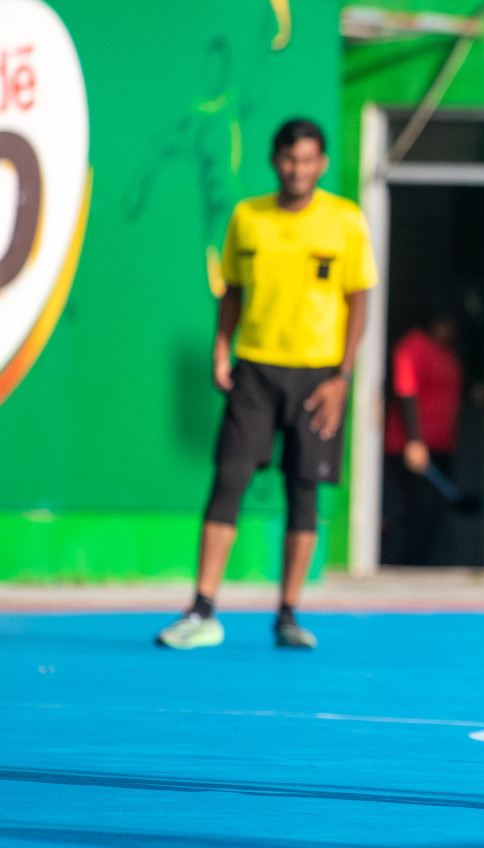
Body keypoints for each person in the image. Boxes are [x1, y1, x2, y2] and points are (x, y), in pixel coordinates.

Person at [155, 119, 377, 650]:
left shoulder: (345, 220)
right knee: (227, 481)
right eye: (288, 159)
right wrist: (219, 348)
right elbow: (231, 290)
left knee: (303, 496)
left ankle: (288, 615)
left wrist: (342, 379)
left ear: (320, 164)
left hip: (319, 378)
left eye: (307, 160)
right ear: (275, 160)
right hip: (254, 371)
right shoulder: (246, 217)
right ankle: (203, 609)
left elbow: (358, 300)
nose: (297, 169)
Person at [381, 302, 464, 565]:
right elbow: (406, 391)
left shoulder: (447, 352)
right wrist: (414, 441)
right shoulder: (413, 347)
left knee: (434, 512)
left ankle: (423, 564)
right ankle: (400, 564)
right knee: (413, 508)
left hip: (442, 443)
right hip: (410, 446)